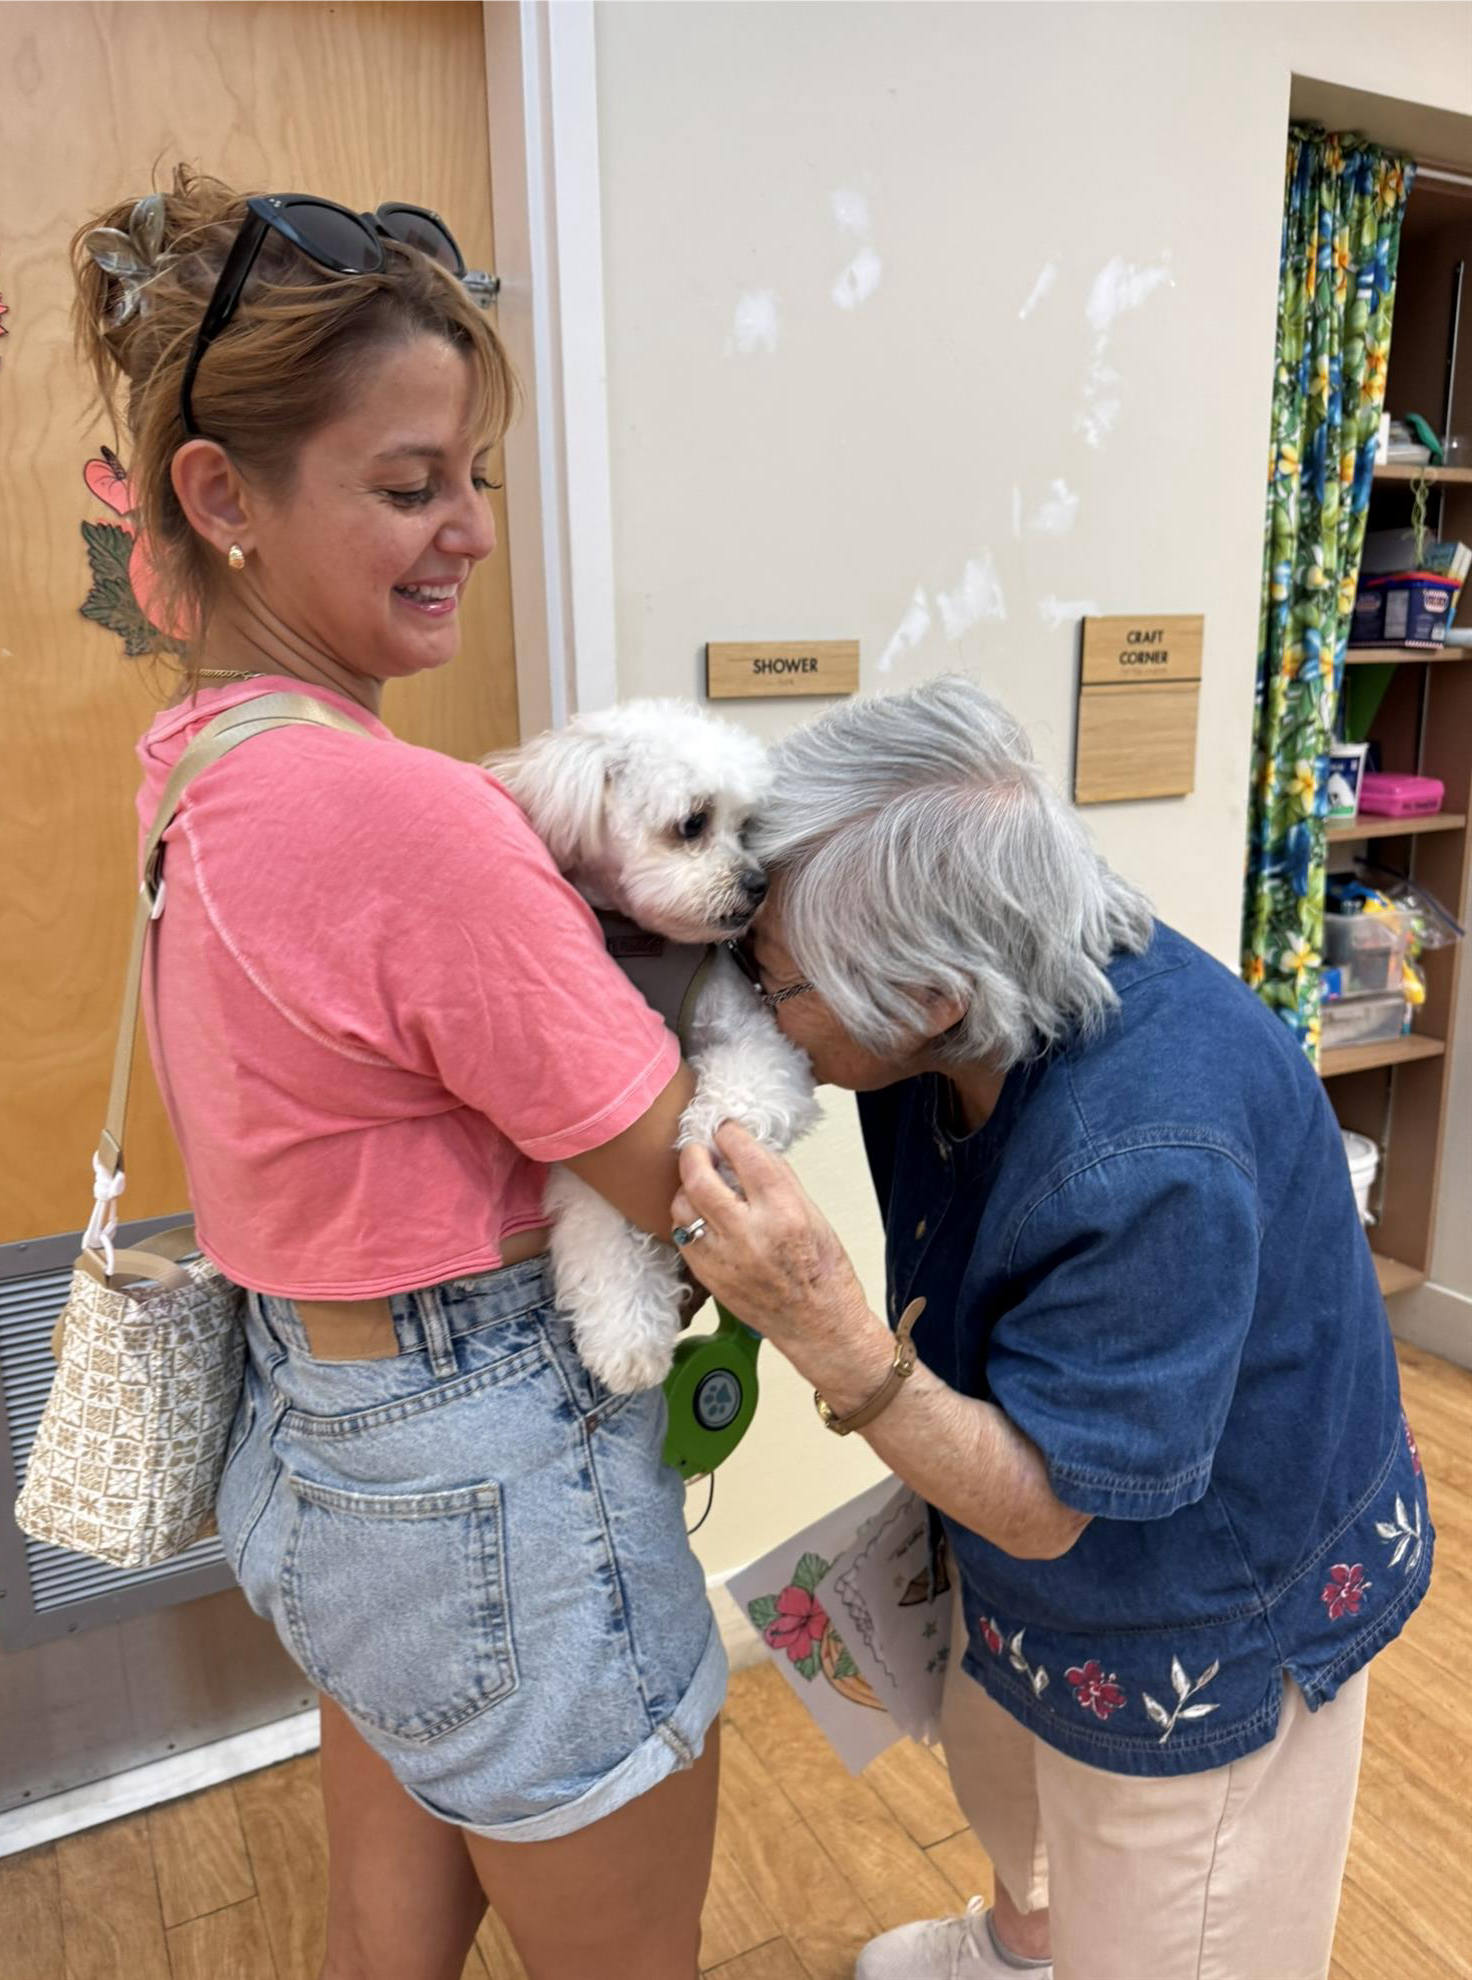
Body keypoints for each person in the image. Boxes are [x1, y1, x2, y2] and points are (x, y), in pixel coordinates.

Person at [71, 166, 723, 1980]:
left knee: (386, 1936)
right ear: (224, 498)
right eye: (411, 484)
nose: (472, 532)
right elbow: (680, 1175)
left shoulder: (201, 761)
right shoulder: (402, 813)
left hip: (323, 1452)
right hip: (490, 1463)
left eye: (477, 479)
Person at [670, 675, 1432, 1980]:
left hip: (1205, 1596)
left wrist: (822, 1324)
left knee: (1173, 1913)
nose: (747, 1007)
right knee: (1008, 1774)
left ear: (930, 999)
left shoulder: (1144, 1154)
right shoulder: (976, 985)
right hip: (1027, 1542)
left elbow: (1041, 1510)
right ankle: (1025, 1942)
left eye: (770, 983)